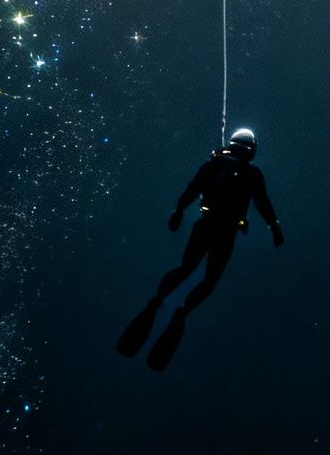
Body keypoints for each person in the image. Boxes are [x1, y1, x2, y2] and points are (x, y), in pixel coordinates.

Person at [118, 128, 284, 370]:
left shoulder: (213, 165)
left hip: (204, 227)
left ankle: (157, 300)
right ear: (252, 151)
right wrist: (274, 227)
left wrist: (178, 211)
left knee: (185, 268)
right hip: (225, 233)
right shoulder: (252, 174)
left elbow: (192, 189)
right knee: (210, 280)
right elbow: (262, 202)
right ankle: (183, 311)